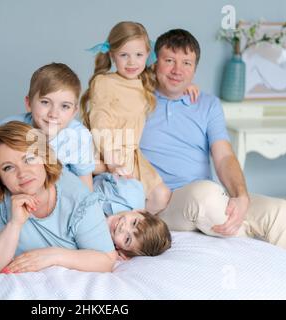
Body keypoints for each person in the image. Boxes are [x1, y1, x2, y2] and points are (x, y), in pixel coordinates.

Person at [139, 29, 286, 258]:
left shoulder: (208, 104)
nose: (178, 70)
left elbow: (224, 156)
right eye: (169, 61)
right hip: (166, 204)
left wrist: (241, 196)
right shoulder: (136, 99)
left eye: (186, 63)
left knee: (281, 211)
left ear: (195, 69)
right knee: (204, 195)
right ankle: (260, 248)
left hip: (212, 199)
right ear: (155, 64)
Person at [0, 121, 171, 274]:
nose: (22, 173)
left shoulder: (78, 197)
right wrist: (14, 225)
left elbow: (106, 260)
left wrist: (53, 255)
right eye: (8, 168)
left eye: (29, 158)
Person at [0, 63, 97, 257]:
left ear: (74, 111)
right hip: (15, 189)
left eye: (64, 106)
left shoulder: (79, 137)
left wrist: (93, 230)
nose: (53, 113)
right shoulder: (10, 129)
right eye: (45, 102)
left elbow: (86, 189)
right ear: (28, 103)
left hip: (52, 196)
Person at [80, 21, 198, 215]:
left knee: (161, 196)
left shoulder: (144, 81)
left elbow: (169, 78)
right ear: (112, 55)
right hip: (109, 152)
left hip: (132, 155)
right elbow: (100, 122)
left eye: (138, 55)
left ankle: (128, 225)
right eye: (124, 55)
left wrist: (187, 86)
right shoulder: (105, 82)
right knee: (123, 197)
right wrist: (110, 158)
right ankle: (111, 229)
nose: (132, 62)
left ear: (147, 55)